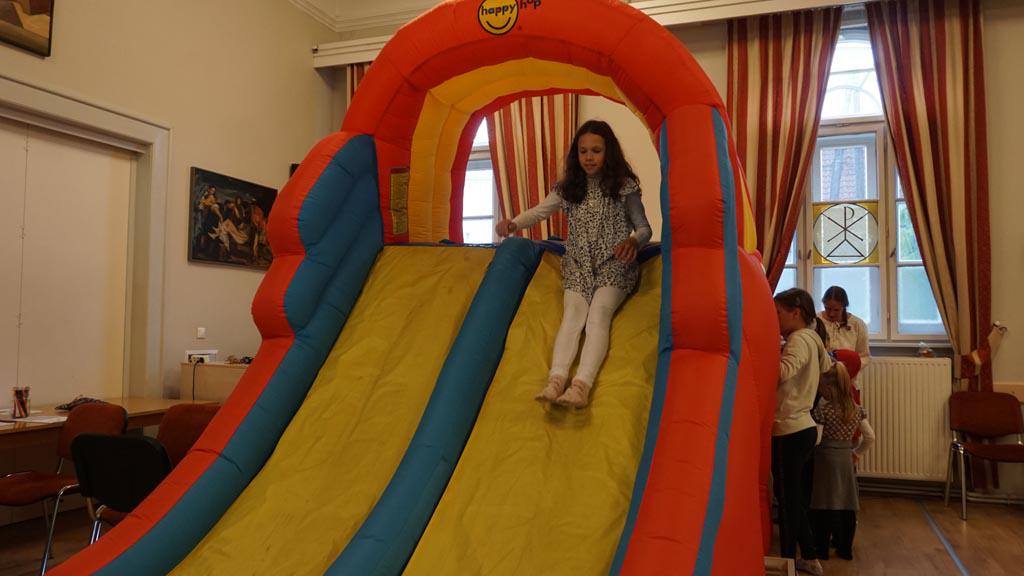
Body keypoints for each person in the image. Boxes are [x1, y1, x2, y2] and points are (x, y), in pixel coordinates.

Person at [495, 119, 652, 408]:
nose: (589, 157)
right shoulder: (569, 188)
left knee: (598, 315)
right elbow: (540, 212)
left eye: (596, 151)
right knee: (572, 316)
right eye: (583, 151)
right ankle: (556, 380)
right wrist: (513, 223)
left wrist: (633, 242)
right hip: (579, 264)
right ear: (576, 154)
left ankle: (581, 385)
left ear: (609, 152)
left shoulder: (623, 187)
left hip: (614, 264)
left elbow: (644, 228)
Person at [773, 288, 831, 576]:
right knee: (793, 499)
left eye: (778, 313)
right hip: (802, 428)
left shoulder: (798, 340)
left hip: (790, 429)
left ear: (795, 313)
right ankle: (808, 556)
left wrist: (762, 353)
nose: (774, 318)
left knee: (787, 502)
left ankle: (787, 562)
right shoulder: (812, 339)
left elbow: (782, 372)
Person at [810, 354, 875, 561]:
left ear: (829, 387)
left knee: (823, 503)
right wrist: (856, 454)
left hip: (825, 459)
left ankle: (821, 549)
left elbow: (816, 439)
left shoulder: (823, 410)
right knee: (847, 503)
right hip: (846, 458)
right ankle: (845, 548)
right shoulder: (856, 410)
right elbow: (870, 437)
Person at [818, 286, 871, 386]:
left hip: (847, 380)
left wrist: (847, 372)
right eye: (827, 308)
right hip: (821, 380)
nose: (831, 314)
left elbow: (864, 356)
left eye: (836, 310)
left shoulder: (857, 324)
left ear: (844, 307)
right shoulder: (816, 321)